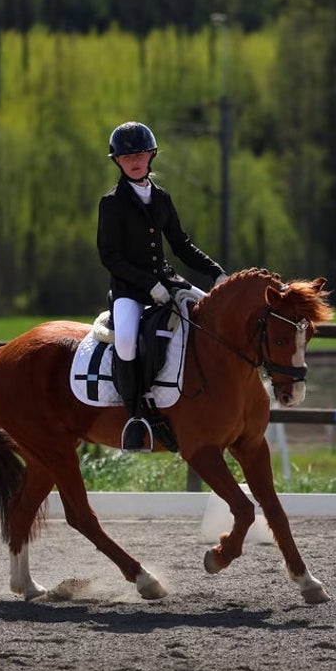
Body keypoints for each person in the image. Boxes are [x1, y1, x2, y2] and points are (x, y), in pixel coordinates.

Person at [97, 121, 229, 451]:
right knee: (125, 342)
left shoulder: (161, 198)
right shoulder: (112, 202)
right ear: (117, 161)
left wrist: (215, 273)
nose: (134, 161)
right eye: (127, 157)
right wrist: (147, 283)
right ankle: (135, 417)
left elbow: (181, 245)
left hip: (169, 282)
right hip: (129, 290)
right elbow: (110, 256)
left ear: (151, 155)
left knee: (212, 322)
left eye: (140, 155)